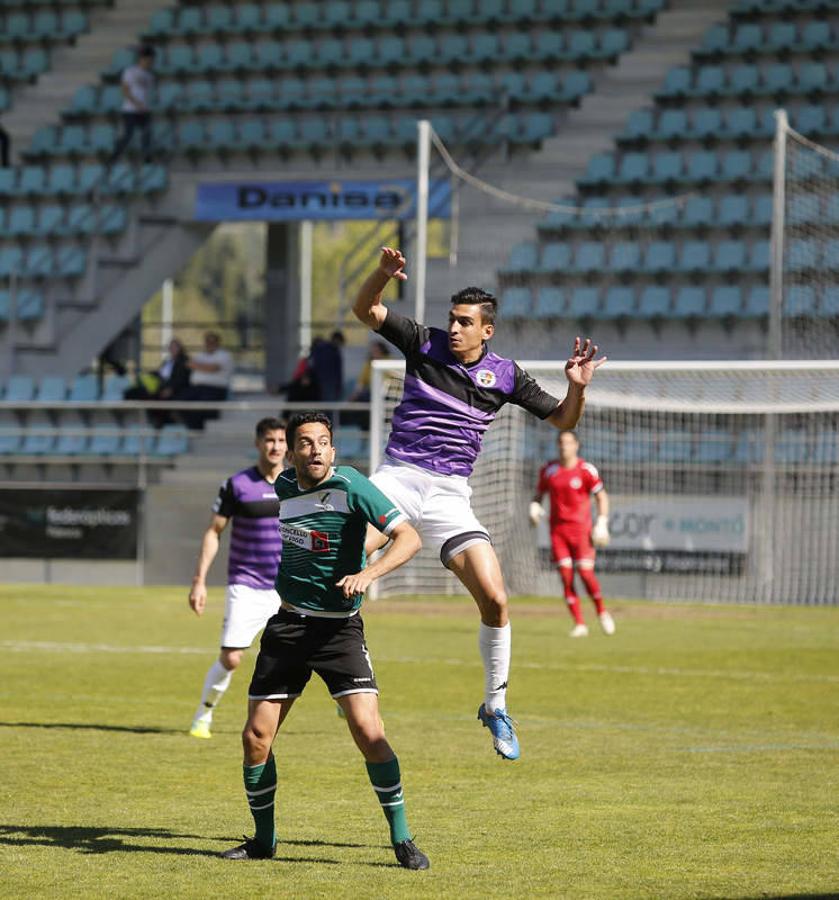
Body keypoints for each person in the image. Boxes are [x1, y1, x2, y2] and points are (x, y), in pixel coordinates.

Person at [353, 247, 605, 761]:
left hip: (450, 495)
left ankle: (495, 706)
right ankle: (346, 677)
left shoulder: (507, 376)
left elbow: (563, 421)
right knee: (345, 556)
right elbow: (366, 311)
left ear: (486, 330)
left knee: (496, 599)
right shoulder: (422, 342)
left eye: (464, 322)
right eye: (452, 319)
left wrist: (576, 389)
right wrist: (381, 275)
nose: (454, 328)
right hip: (398, 478)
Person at [223, 412, 429, 870]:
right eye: (305, 443)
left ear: (332, 450)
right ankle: (264, 841)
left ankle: (403, 839)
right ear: (292, 453)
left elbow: (408, 537)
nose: (315, 450)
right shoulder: (285, 489)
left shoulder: (351, 483)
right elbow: (322, 538)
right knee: (256, 737)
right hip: (288, 626)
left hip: (339, 631)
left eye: (323, 442)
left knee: (370, 733)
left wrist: (367, 573)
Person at [188, 418, 287, 739]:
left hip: (288, 586)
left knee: (316, 648)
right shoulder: (238, 484)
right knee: (231, 658)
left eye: (281, 440)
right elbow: (214, 531)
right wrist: (199, 581)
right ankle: (203, 715)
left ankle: (347, 697)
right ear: (258, 443)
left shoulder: (297, 483)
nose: (275, 447)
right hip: (246, 584)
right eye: (269, 440)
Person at [530, 430, 615, 638]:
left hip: (581, 531)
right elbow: (539, 495)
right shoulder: (549, 470)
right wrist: (534, 506)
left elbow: (601, 497)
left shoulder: (586, 470)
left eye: (568, 442)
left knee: (585, 574)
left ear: (576, 445)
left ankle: (602, 611)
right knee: (566, 577)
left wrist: (602, 522)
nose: (563, 446)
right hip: (558, 531)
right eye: (560, 442)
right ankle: (579, 623)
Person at [109, 45, 155, 164]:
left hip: (143, 110)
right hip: (130, 110)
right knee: (127, 135)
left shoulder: (149, 76)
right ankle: (114, 157)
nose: (150, 63)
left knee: (147, 132)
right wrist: (136, 103)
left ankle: (147, 158)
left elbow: (146, 93)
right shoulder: (130, 71)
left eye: (151, 61)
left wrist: (144, 106)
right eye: (149, 60)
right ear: (142, 59)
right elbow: (125, 90)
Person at [182, 331, 234, 430]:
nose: (210, 344)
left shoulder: (224, 355)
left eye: (212, 341)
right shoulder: (200, 355)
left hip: (215, 389)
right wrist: (199, 365)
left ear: (218, 343)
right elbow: (189, 365)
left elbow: (213, 368)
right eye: (207, 341)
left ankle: (197, 429)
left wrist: (197, 365)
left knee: (201, 407)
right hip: (197, 388)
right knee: (180, 401)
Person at [308, 330, 345, 402]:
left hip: (317, 382)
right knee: (328, 406)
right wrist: (338, 385)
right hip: (328, 383)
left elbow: (312, 364)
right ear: (337, 339)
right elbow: (338, 371)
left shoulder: (319, 348)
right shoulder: (334, 352)